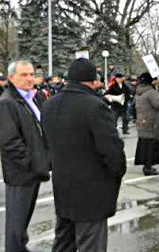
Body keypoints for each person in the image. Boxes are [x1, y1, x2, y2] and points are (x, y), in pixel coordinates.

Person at [42, 58, 126, 252]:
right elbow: (111, 149)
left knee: (64, 242)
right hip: (92, 191)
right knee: (91, 244)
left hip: (63, 186)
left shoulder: (49, 104)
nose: (98, 83)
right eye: (96, 79)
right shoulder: (94, 106)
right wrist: (117, 172)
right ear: (89, 80)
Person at [0, 60, 50, 252]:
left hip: (34, 169)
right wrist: (32, 163)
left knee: (24, 220)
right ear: (11, 78)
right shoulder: (7, 103)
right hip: (21, 172)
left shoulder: (31, 98)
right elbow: (10, 142)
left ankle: (21, 247)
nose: (29, 78)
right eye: (24, 75)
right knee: (16, 221)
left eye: (31, 74)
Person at [134, 72, 159, 176]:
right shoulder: (151, 92)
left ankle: (147, 166)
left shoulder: (139, 91)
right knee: (151, 147)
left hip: (142, 121)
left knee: (144, 146)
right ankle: (148, 167)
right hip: (151, 122)